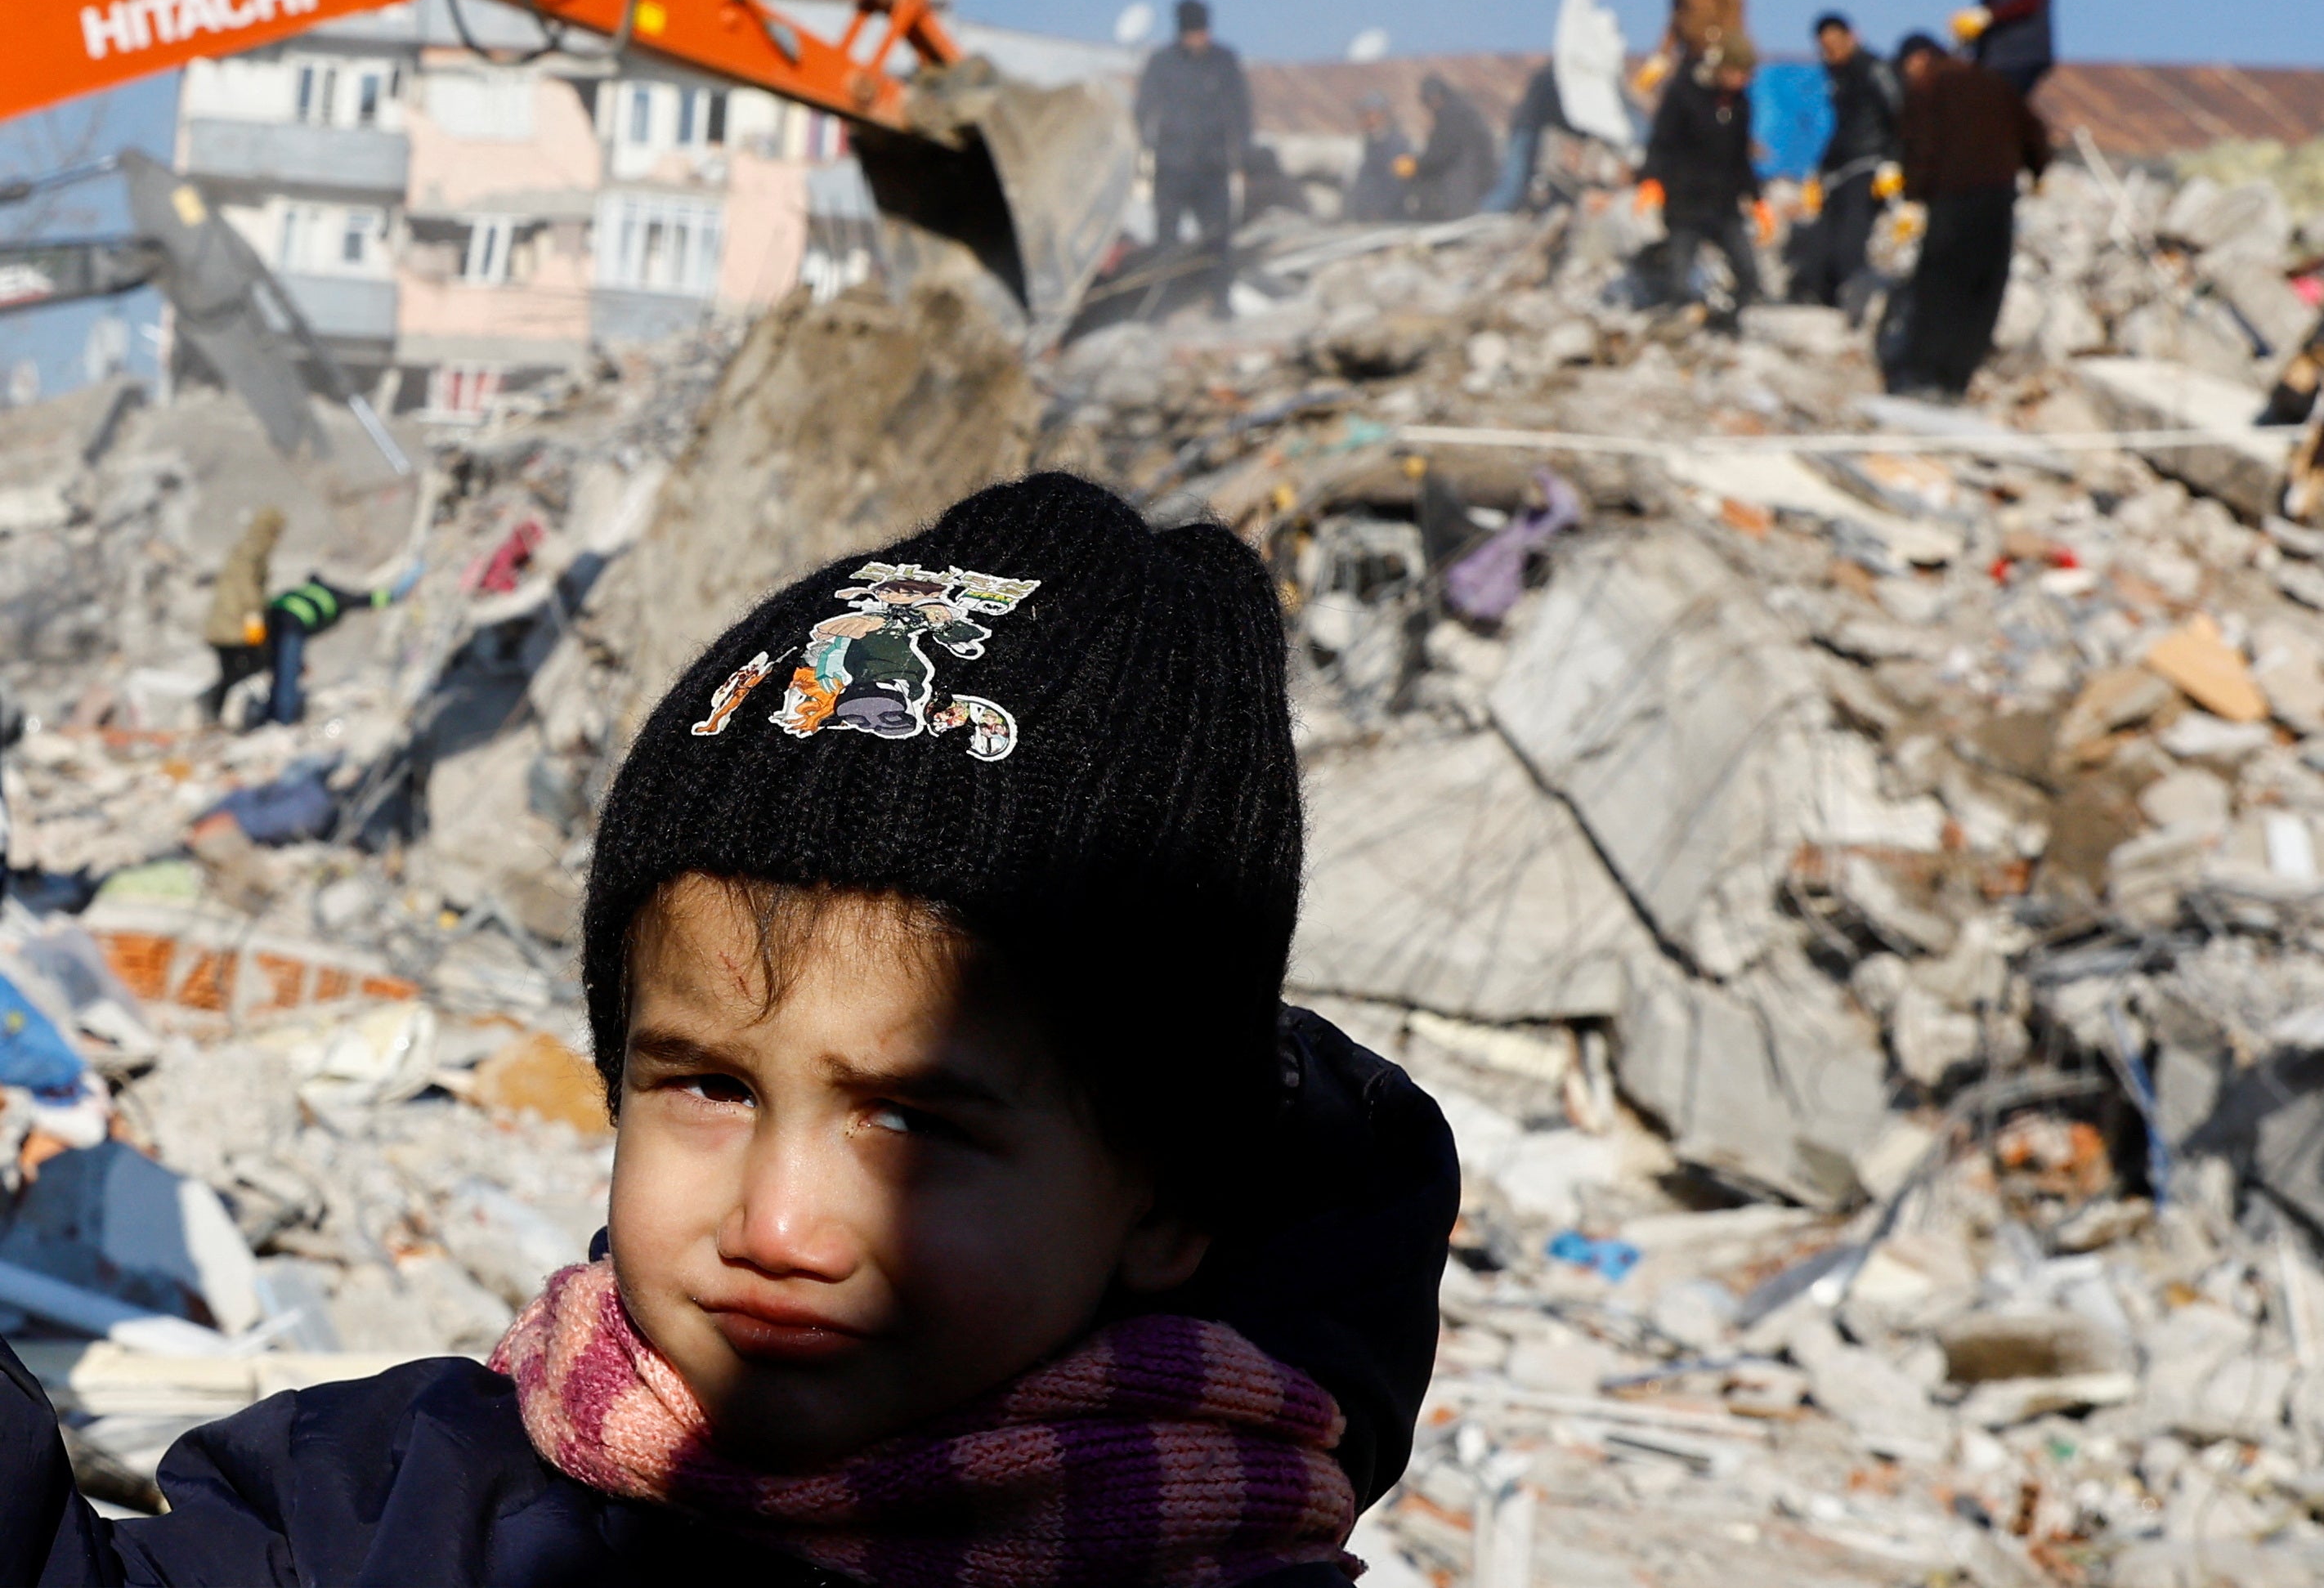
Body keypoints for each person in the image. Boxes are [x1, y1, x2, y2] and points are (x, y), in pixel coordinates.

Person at [8, 471, 1459, 1587]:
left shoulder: (1213, 1557)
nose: (778, 1224)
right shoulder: (394, 1507)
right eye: (707, 1085)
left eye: (911, 1119)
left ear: (1162, 1198)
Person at [1887, 31, 2054, 396]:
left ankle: (1924, 373)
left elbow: (1918, 144)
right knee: (1983, 288)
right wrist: (2038, 170)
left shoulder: (1927, 88)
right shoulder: (1992, 82)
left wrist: (1913, 196)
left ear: (1918, 60)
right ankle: (1956, 378)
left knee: (1939, 286)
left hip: (1952, 200)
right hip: (1997, 199)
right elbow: (2035, 132)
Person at [1134, 0, 1253, 316]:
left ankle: (1221, 305)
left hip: (1213, 168)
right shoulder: (1162, 62)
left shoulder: (1224, 61)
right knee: (1167, 242)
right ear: (1182, 32)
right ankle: (1162, 307)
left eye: (1203, 31)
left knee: (1219, 238)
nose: (1199, 38)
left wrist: (1240, 158)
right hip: (1171, 169)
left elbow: (1241, 112)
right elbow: (1144, 109)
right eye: (1193, 32)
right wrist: (1145, 153)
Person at [1638, 37, 1767, 329]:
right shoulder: (1685, 94)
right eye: (1736, 72)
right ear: (1721, 68)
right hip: (1686, 203)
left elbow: (1740, 158)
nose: (1740, 80)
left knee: (1748, 274)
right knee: (1680, 277)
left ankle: (1727, 325)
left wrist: (1757, 200)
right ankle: (1677, 330)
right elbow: (1661, 142)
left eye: (1746, 75)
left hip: (1725, 205)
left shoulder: (1741, 104)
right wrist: (1651, 179)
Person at [1791, 14, 1901, 308]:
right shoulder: (1833, 79)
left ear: (1851, 37)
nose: (1831, 52)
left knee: (1849, 244)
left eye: (1836, 44)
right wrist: (1821, 170)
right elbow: (1839, 129)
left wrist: (1892, 161)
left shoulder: (1874, 69)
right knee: (1819, 243)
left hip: (1868, 166)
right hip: (1838, 171)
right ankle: (1821, 304)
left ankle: (1855, 304)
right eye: (1824, 47)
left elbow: (1899, 113)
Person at [262, 564, 419, 725]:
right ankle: (282, 720)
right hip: (292, 624)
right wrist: (393, 596)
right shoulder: (336, 596)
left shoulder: (302, 592)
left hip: (270, 619)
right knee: (287, 675)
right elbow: (366, 599)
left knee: (280, 669)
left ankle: (269, 715)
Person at [199, 503, 284, 722]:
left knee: (236, 672)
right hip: (237, 623)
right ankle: (215, 710)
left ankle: (218, 712)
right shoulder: (253, 551)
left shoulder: (248, 548)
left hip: (229, 622)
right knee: (250, 666)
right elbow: (248, 592)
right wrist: (258, 623)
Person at [1484, 56, 1582, 214]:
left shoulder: (1549, 75)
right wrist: (1579, 131)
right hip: (1526, 129)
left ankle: (1505, 209)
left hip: (1528, 128)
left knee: (1523, 174)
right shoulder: (1551, 77)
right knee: (1516, 176)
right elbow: (1555, 111)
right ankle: (1491, 212)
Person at [1403, 74, 1497, 221]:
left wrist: (1417, 165)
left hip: (1468, 178)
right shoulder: (1457, 112)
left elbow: (1442, 152)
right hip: (1470, 176)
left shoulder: (1454, 114)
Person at [1346, 92, 1413, 221]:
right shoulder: (1370, 142)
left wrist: (1380, 210)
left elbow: (1396, 183)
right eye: (1363, 115)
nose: (1366, 120)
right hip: (1367, 215)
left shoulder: (1396, 143)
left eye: (1370, 114)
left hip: (1389, 218)